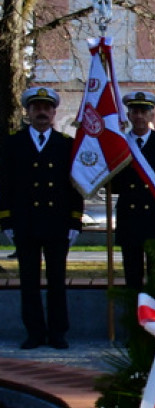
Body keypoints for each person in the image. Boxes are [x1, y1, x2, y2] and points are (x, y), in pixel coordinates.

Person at [0, 87, 82, 349]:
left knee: (57, 280)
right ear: (28, 111)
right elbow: (4, 185)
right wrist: (6, 221)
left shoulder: (66, 145)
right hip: (26, 223)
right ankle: (34, 332)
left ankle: (58, 332)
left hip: (57, 223)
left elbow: (75, 186)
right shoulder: (13, 143)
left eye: (47, 108)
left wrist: (74, 221)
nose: (42, 113)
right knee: (29, 281)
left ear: (54, 112)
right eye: (36, 108)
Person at [109, 91, 155, 291]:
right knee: (132, 277)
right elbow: (114, 184)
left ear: (151, 115)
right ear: (129, 115)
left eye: (144, 111)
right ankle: (134, 319)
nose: (139, 116)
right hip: (129, 218)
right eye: (135, 111)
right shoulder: (119, 145)